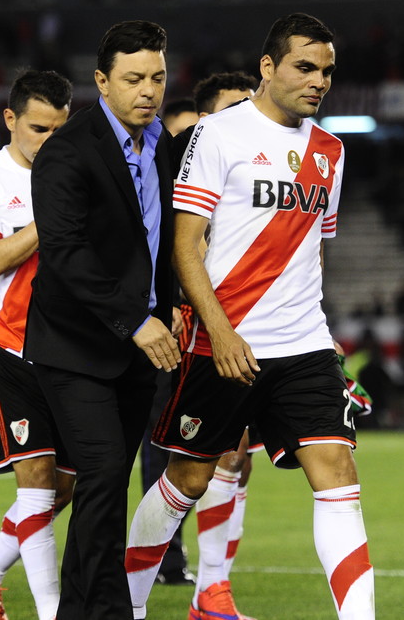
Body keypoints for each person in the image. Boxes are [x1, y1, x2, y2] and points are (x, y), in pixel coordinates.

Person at [126, 13, 375, 619]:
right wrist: (219, 330)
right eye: (305, 67)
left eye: (327, 71)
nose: (318, 82)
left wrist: (324, 339)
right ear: (268, 66)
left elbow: (314, 249)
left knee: (338, 474)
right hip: (225, 343)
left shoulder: (331, 151)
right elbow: (185, 246)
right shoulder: (217, 135)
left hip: (303, 344)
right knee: (187, 480)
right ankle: (125, 606)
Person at [25, 20, 180, 620]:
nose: (148, 90)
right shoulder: (67, 150)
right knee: (105, 470)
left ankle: (80, 610)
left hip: (140, 347)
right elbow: (65, 252)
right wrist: (135, 320)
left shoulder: (163, 145)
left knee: (104, 483)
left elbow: (161, 241)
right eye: (134, 78)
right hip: (76, 346)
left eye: (157, 77)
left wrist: (169, 307)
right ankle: (110, 610)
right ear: (102, 81)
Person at [0, 70, 74, 620]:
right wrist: (51, 216)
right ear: (10, 119)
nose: (49, 141)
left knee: (64, 486)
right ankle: (52, 612)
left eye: (58, 130)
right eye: (38, 129)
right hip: (13, 344)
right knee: (36, 489)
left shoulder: (79, 171)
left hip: (73, 350)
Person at [140, 68, 259, 591]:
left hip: (234, 332)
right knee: (169, 456)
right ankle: (159, 565)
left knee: (235, 457)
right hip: (175, 333)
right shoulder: (171, 167)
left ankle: (213, 583)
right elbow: (163, 247)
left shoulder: (252, 174)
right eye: (236, 108)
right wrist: (161, 306)